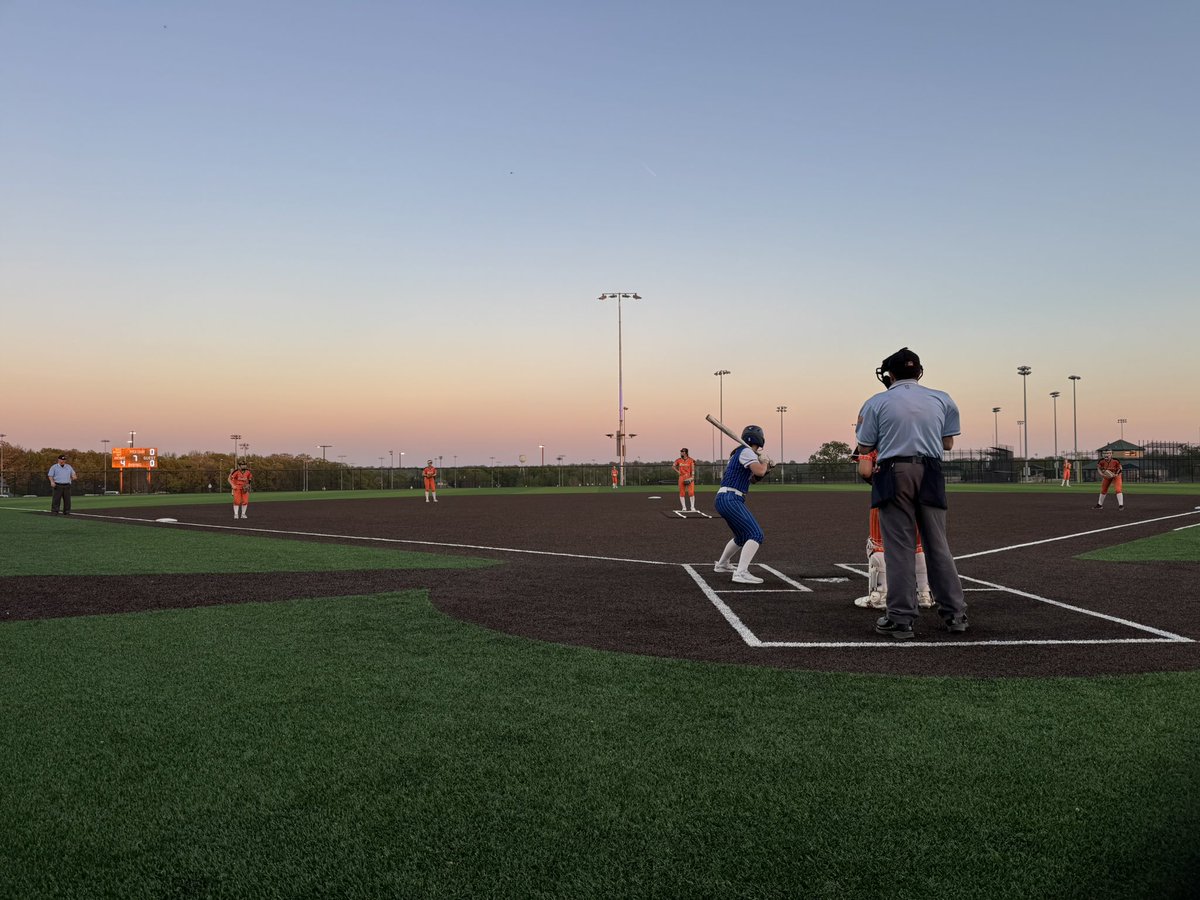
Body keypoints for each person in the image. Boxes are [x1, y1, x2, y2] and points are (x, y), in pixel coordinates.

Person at [855, 347, 969, 640]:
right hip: (931, 471)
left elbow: (865, 447)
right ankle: (955, 615)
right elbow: (947, 444)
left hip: (895, 471)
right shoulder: (942, 398)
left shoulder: (876, 401)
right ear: (918, 372)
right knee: (938, 545)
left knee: (899, 548)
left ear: (890, 374)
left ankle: (901, 618)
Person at [853, 450, 934, 610]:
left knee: (878, 544)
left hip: (888, 491)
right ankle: (923, 594)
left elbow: (864, 470)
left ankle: (880, 595)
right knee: (918, 544)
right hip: (919, 491)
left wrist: (878, 481)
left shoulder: (876, 432)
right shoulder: (923, 430)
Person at [713, 425, 774, 584]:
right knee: (756, 534)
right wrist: (765, 463)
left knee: (741, 536)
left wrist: (765, 468)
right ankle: (741, 573)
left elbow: (753, 478)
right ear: (759, 439)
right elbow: (759, 471)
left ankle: (722, 564)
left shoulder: (740, 453)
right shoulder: (746, 452)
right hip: (730, 498)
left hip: (725, 498)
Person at [672, 448, 698, 512]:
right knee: (682, 493)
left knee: (691, 492)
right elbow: (673, 466)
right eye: (681, 451)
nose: (681, 453)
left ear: (686, 452)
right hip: (681, 477)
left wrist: (692, 477)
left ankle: (692, 507)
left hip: (689, 477)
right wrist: (678, 471)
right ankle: (684, 507)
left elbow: (693, 468)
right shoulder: (678, 460)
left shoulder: (691, 460)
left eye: (682, 451)